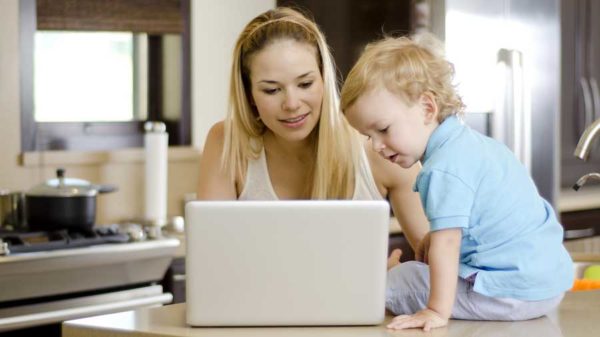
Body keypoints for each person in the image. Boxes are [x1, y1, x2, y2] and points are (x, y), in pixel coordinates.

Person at [340, 33, 574, 331]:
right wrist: (432, 239)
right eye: (368, 136)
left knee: (393, 282)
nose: (376, 146)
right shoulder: (473, 144)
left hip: (509, 293)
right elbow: (477, 224)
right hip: (546, 286)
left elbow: (448, 243)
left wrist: (436, 311)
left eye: (383, 129)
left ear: (427, 108)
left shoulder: (441, 170)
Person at [196, 7, 429, 252]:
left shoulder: (377, 147)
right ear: (249, 94)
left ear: (323, 79)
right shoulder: (227, 142)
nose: (292, 104)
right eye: (272, 90)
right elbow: (212, 258)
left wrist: (393, 281)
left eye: (305, 83)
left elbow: (442, 262)